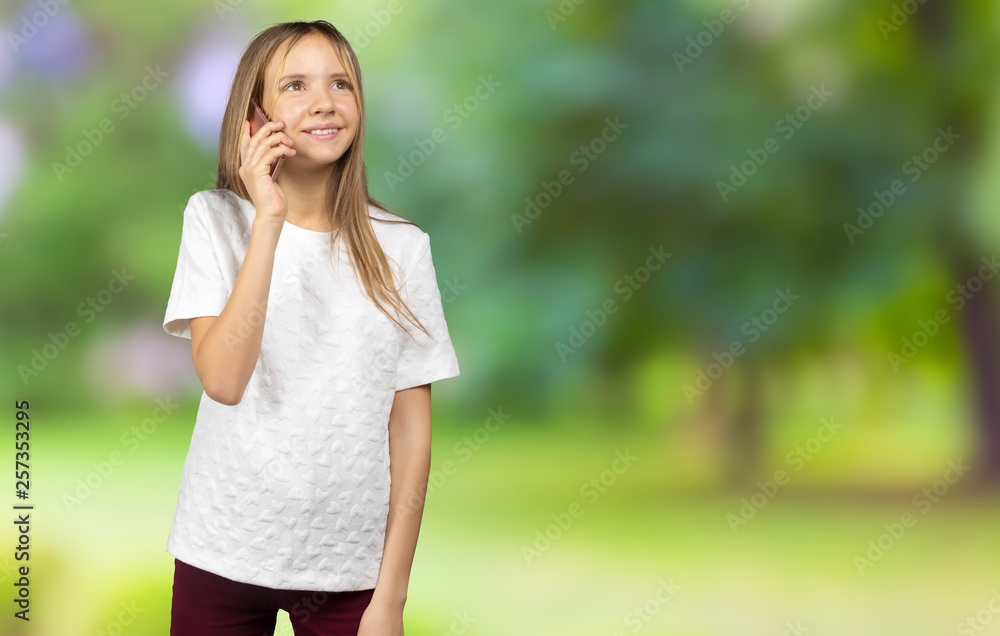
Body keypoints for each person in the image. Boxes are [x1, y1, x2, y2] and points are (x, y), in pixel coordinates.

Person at [161, 20, 460, 636]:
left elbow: (410, 430)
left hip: (349, 570)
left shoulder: (403, 249)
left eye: (341, 84)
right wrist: (268, 218)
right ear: (254, 119)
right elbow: (223, 379)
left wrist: (391, 599)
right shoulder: (214, 220)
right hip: (223, 548)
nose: (325, 101)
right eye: (295, 85)